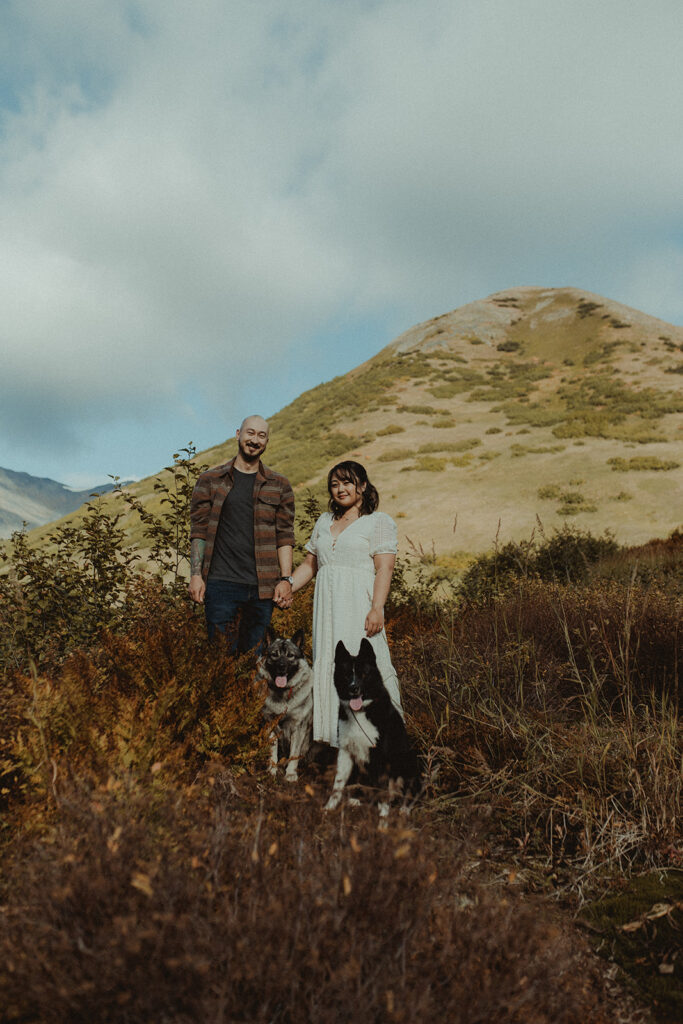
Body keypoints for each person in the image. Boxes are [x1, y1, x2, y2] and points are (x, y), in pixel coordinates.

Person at [288, 460, 403, 746]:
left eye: (347, 482)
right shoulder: (324, 522)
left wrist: (377, 607)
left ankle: (378, 739)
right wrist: (287, 585)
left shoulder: (378, 522)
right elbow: (310, 564)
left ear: (362, 486)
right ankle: (335, 740)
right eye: (335, 484)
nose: (341, 489)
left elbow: (384, 569)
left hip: (359, 604)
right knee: (332, 662)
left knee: (364, 661)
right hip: (328, 607)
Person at [188, 415, 295, 653]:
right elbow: (199, 531)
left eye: (261, 435)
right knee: (221, 662)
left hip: (262, 589)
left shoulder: (279, 485)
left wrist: (286, 579)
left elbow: (285, 535)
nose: (254, 440)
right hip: (220, 585)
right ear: (238, 434)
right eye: (250, 433)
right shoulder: (210, 480)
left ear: (267, 442)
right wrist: (196, 574)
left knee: (257, 661)